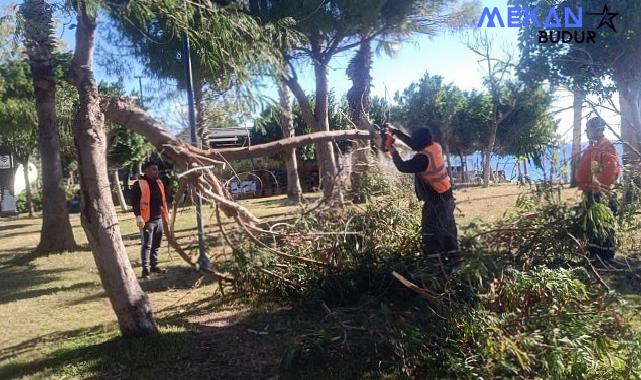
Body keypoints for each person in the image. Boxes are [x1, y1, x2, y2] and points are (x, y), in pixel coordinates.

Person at [385, 125, 459, 260]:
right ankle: (455, 261)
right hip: (447, 197)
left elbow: (403, 166)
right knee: (448, 231)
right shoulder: (435, 146)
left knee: (431, 233)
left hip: (436, 201)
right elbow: (415, 144)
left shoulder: (423, 159)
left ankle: (434, 267)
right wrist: (397, 133)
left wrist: (392, 149)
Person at [575, 117, 621, 262]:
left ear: (598, 129)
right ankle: (594, 253)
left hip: (601, 193)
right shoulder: (594, 146)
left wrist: (599, 188)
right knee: (593, 224)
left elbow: (610, 172)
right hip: (591, 191)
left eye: (588, 129)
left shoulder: (606, 147)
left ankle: (605, 256)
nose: (587, 132)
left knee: (603, 224)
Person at [132, 161, 171, 279]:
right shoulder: (138, 184)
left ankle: (154, 266)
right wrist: (138, 215)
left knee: (156, 244)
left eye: (156, 169)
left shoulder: (159, 182)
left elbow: (163, 199)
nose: (156, 171)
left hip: (158, 218)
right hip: (147, 220)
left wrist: (166, 213)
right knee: (147, 245)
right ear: (146, 170)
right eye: (153, 169)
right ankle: (145, 270)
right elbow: (134, 202)